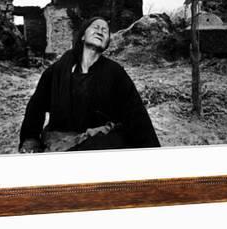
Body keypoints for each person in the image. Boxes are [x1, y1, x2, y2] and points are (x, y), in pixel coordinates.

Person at [19, 16, 160, 153]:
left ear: (106, 43)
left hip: (101, 141)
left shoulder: (115, 72)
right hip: (60, 139)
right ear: (82, 36)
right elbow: (36, 105)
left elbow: (136, 113)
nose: (100, 31)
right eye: (95, 27)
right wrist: (30, 138)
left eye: (105, 31)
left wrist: (151, 152)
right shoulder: (59, 69)